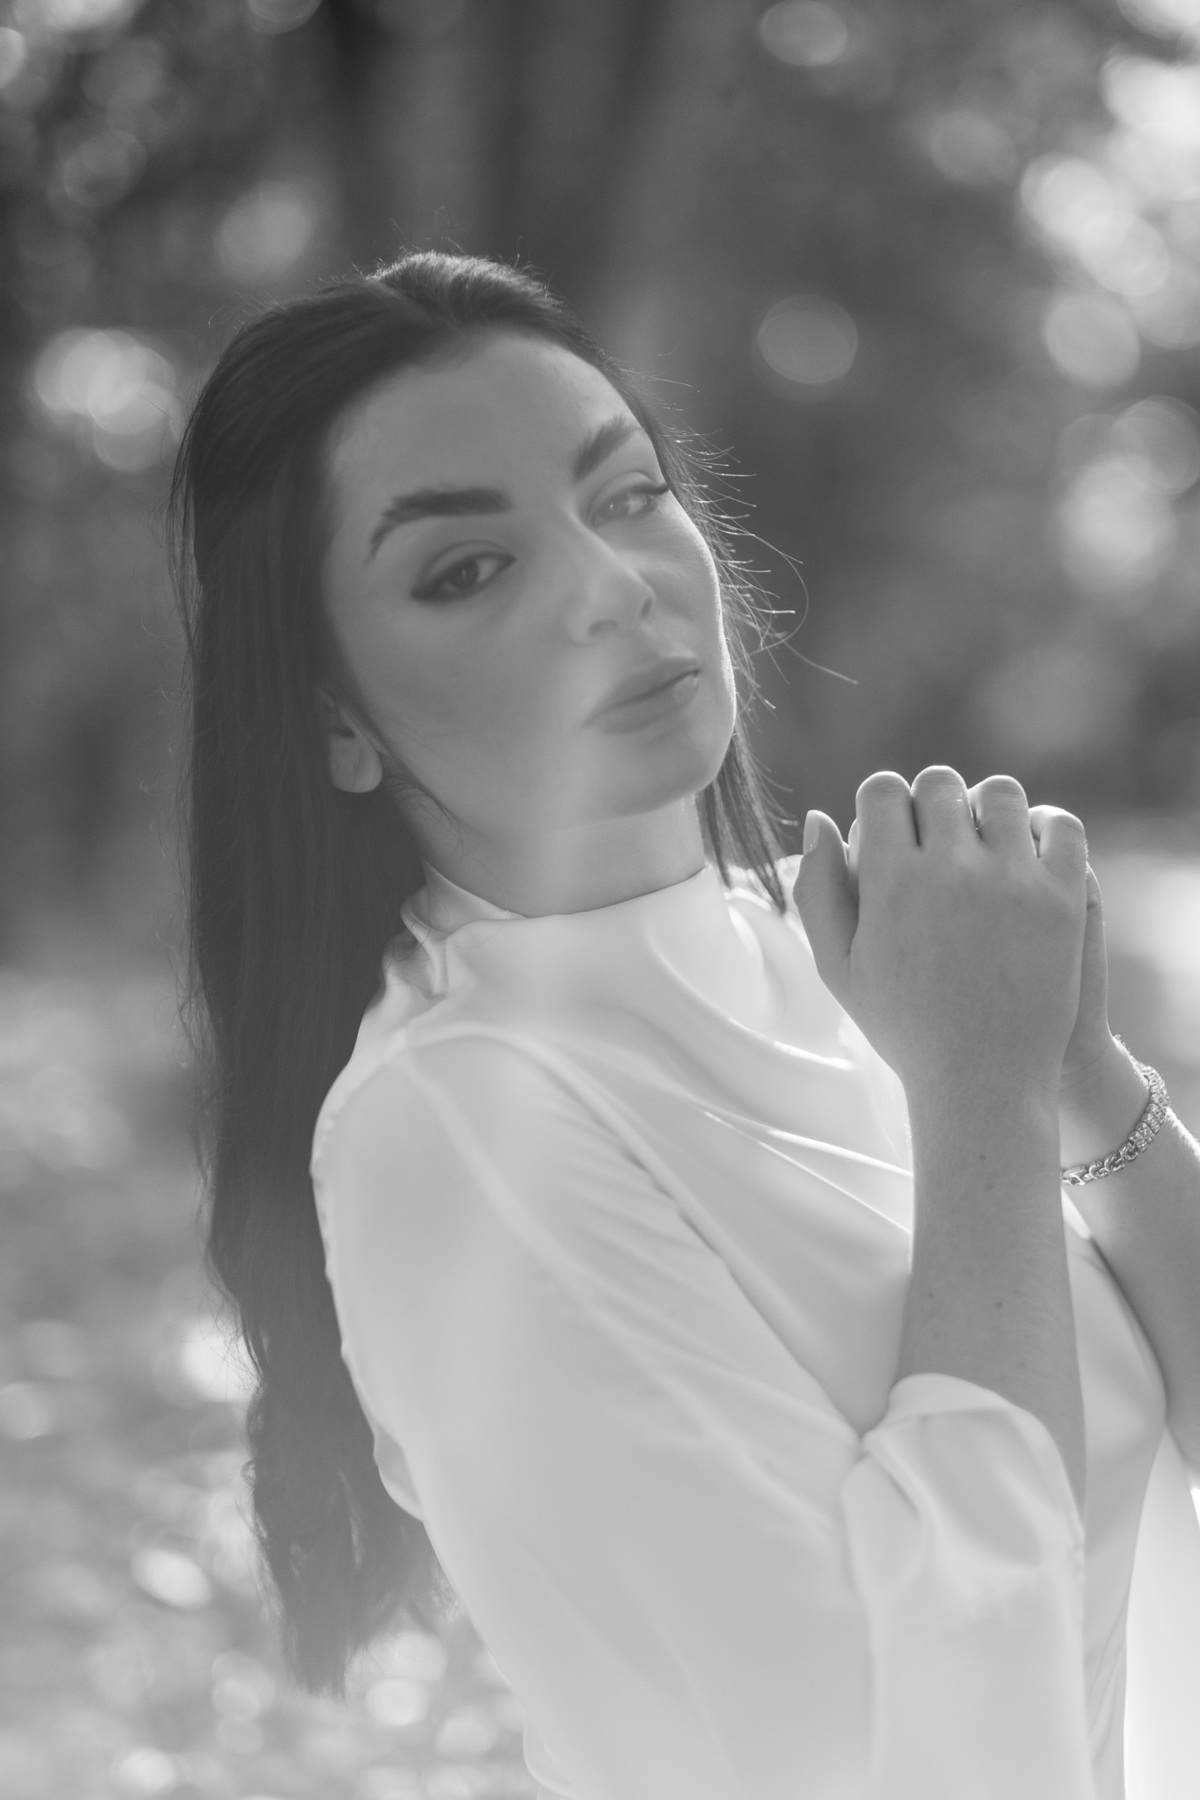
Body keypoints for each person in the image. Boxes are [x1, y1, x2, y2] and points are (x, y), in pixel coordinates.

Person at [171, 250, 1200, 1800]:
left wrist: (1073, 1065)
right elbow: (889, 1749)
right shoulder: (454, 1134)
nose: (612, 584)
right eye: (467, 569)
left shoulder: (869, 951)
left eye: (630, 494)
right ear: (334, 722)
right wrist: (982, 1099)